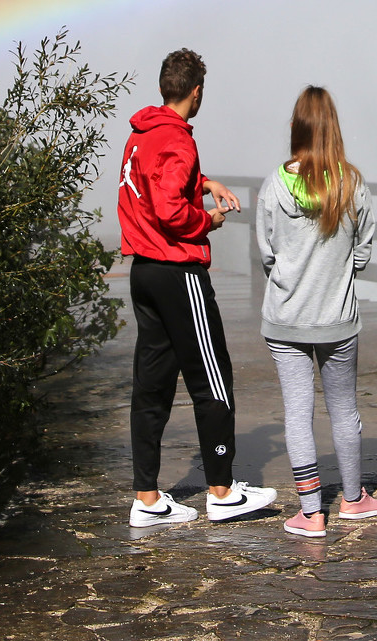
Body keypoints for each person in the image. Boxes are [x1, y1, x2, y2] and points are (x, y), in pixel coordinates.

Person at [119, 48, 278, 526]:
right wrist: (206, 220)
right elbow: (170, 211)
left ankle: (147, 500)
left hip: (144, 271)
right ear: (196, 91)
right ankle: (223, 492)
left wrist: (205, 182)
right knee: (213, 379)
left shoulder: (140, 135)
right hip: (177, 272)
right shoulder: (177, 141)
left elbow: (156, 182)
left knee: (152, 386)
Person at [256, 85, 377, 537]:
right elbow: (363, 253)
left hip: (286, 317)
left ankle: (311, 513)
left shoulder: (274, 183)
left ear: (296, 128)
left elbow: (267, 254)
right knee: (344, 410)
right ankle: (353, 500)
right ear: (333, 129)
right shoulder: (352, 183)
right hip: (337, 319)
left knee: (297, 414)